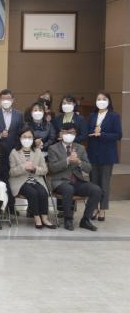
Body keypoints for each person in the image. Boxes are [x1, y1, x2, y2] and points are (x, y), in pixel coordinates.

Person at [48, 123, 101, 231]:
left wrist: (79, 162)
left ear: (75, 134)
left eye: (71, 133)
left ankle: (85, 220)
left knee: (96, 190)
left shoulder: (80, 148)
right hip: (60, 182)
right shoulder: (53, 148)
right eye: (66, 132)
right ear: (61, 133)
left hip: (77, 181)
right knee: (68, 189)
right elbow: (52, 168)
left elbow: (88, 168)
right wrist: (67, 160)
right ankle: (68, 219)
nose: (69, 135)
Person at [8, 127, 56, 229]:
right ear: (20, 138)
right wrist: (23, 167)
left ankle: (45, 218)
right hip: (20, 181)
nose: (27, 139)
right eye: (24, 137)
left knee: (43, 192)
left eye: (29, 137)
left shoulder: (38, 151)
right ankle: (37, 218)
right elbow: (11, 172)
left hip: (36, 180)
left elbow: (45, 170)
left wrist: (34, 169)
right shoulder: (14, 152)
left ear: (33, 138)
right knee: (32, 193)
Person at [87, 91, 123, 221]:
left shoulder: (114, 116)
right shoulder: (92, 115)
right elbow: (88, 132)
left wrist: (102, 134)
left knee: (104, 183)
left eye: (104, 99)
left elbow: (118, 135)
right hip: (93, 154)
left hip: (107, 155)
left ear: (108, 101)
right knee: (93, 183)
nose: (101, 101)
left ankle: (102, 209)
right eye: (99, 99)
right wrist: (93, 132)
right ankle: (94, 208)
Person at [0, 89, 24, 156]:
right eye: (3, 99)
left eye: (8, 98)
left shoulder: (19, 115)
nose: (6, 101)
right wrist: (0, 135)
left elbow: (21, 132)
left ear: (12, 100)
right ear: (0, 100)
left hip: (15, 149)